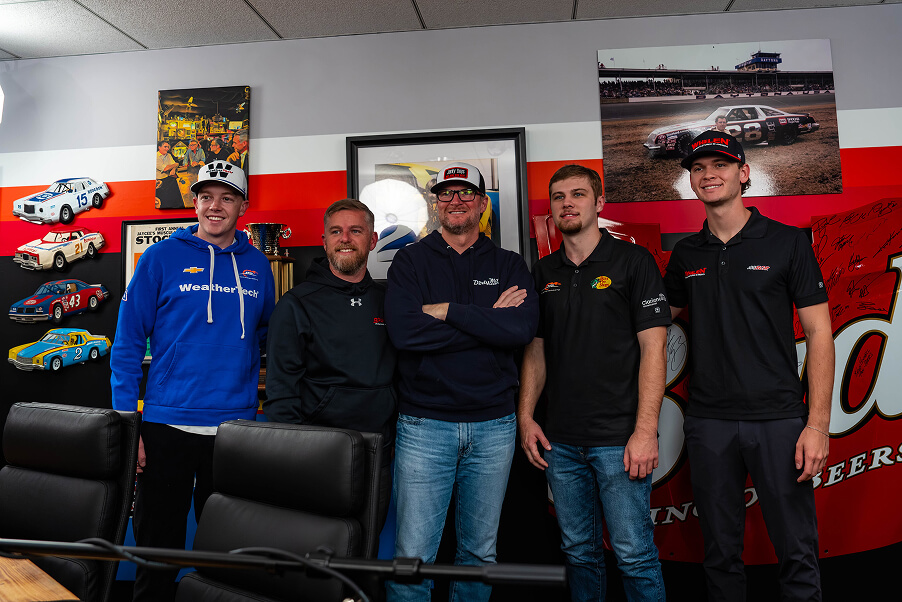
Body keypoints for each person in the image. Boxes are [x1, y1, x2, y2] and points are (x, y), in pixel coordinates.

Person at [664, 131, 834, 601]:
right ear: (691, 181)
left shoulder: (787, 242)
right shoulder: (686, 254)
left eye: (720, 165)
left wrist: (817, 425)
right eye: (698, 168)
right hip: (709, 422)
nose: (708, 174)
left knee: (797, 551)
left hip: (779, 420)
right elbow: (654, 323)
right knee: (720, 554)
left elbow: (820, 334)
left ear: (744, 173)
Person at [111, 161, 275, 602]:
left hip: (234, 429)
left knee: (227, 557)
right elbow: (127, 343)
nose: (215, 206)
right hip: (166, 426)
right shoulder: (160, 258)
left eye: (226, 197)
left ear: (242, 206)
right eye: (206, 197)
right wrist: (128, 425)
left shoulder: (258, 265)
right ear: (196, 203)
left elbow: (266, 337)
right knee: (157, 554)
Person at [384, 162, 538, 602]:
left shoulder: (509, 264)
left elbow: (521, 329)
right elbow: (406, 333)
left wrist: (449, 311)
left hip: (494, 426)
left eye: (466, 192)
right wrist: (489, 320)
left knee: (479, 554)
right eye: (446, 193)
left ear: (482, 203)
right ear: (435, 204)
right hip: (424, 427)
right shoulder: (410, 261)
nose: (456, 201)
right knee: (413, 557)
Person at [518, 165, 670, 601]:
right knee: (578, 553)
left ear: (599, 202)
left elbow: (654, 349)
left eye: (578, 194)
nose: (567, 203)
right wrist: (525, 417)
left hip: (619, 441)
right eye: (559, 196)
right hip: (560, 443)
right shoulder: (543, 271)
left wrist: (645, 432)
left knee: (634, 555)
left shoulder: (633, 262)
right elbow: (536, 350)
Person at [264, 198, 397, 548]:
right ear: (324, 242)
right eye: (336, 232)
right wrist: (292, 456)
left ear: (372, 240)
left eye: (356, 231)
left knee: (366, 549)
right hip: (319, 455)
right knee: (315, 554)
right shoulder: (297, 304)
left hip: (377, 454)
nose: (345, 239)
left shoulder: (390, 300)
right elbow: (281, 390)